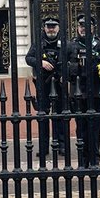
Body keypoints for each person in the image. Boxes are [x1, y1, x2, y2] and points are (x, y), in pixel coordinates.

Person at [66, 13, 100, 168]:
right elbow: (62, 68)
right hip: (78, 93)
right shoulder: (71, 46)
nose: (83, 29)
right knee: (81, 128)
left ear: (93, 27)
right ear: (77, 28)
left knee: (95, 127)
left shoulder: (99, 45)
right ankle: (83, 161)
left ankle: (95, 160)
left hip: (96, 92)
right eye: (81, 26)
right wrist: (72, 68)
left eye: (87, 26)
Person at [25, 16, 68, 162]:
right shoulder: (39, 43)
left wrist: (65, 74)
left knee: (60, 115)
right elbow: (28, 58)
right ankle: (43, 148)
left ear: (58, 28)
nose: (51, 29)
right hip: (43, 83)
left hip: (59, 83)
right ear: (44, 28)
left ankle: (61, 145)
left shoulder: (65, 43)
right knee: (43, 116)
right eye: (48, 26)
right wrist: (41, 62)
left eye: (53, 26)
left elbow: (71, 60)